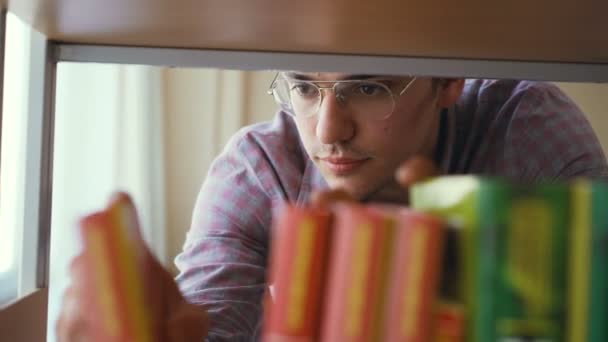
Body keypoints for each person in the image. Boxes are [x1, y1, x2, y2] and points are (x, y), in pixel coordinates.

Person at [56, 73, 608, 341]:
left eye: (367, 88)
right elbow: (212, 322)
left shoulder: (525, 126)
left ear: (447, 82)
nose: (328, 131)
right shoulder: (258, 167)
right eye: (305, 87)